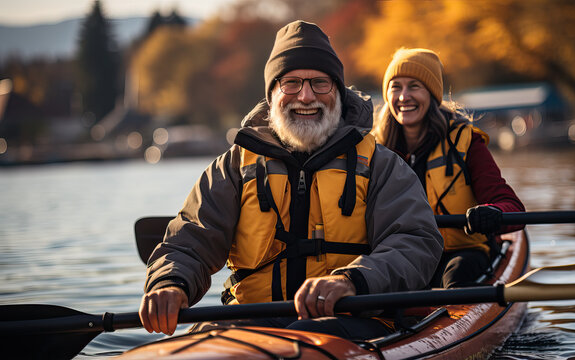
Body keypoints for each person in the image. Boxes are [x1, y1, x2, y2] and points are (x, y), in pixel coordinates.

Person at [139, 22, 443, 340]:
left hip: (350, 325)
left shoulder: (381, 165)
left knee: (311, 331)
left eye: (320, 84)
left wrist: (352, 281)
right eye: (292, 83)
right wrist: (168, 282)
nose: (306, 96)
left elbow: (415, 242)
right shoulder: (234, 165)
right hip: (248, 323)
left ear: (338, 92)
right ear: (272, 94)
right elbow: (190, 240)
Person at [373, 48, 525, 289]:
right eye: (396, 87)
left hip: (462, 252)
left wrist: (490, 212)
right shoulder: (375, 151)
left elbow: (512, 207)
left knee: (457, 275)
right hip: (402, 256)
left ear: (432, 94)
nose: (403, 97)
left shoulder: (466, 143)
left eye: (414, 86)